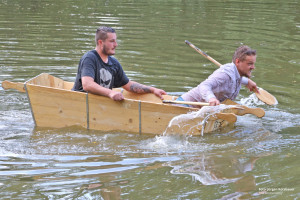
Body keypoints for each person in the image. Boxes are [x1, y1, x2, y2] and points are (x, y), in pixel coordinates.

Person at [72, 26, 166, 101]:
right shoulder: (90, 58)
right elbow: (87, 85)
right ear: (101, 43)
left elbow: (129, 85)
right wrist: (110, 93)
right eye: (112, 41)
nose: (116, 45)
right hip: (79, 102)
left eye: (115, 41)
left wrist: (153, 90)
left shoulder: (114, 63)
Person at [178, 45, 259, 106]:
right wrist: (211, 98)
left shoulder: (236, 74)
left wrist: (247, 81)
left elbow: (234, 78)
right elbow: (204, 85)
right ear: (237, 62)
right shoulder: (225, 74)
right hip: (184, 105)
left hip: (198, 111)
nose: (253, 67)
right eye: (249, 64)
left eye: (253, 64)